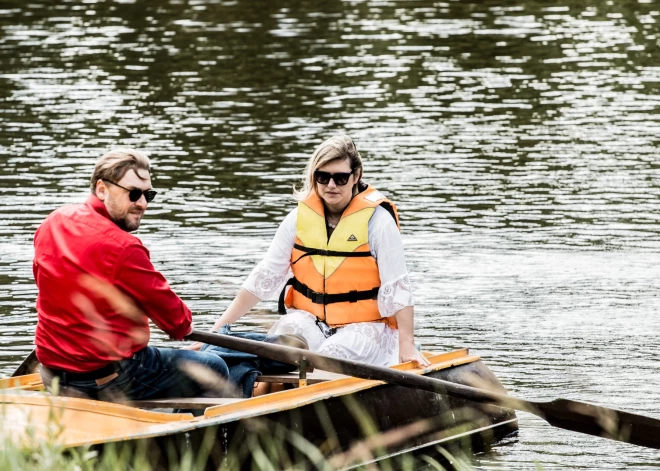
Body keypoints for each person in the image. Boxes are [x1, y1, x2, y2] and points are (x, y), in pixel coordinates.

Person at [192, 135, 430, 368]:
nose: (331, 185)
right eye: (323, 177)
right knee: (281, 346)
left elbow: (398, 287)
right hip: (310, 319)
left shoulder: (378, 223)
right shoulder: (298, 219)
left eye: (340, 178)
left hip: (366, 326)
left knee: (328, 357)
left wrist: (406, 345)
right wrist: (213, 334)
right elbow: (263, 278)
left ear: (356, 176)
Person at [33, 148, 230, 402]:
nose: (143, 204)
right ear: (101, 188)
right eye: (133, 194)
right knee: (213, 367)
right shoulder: (124, 247)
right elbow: (179, 323)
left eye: (148, 194)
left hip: (51, 374)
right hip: (107, 380)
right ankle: (184, 439)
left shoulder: (52, 221)